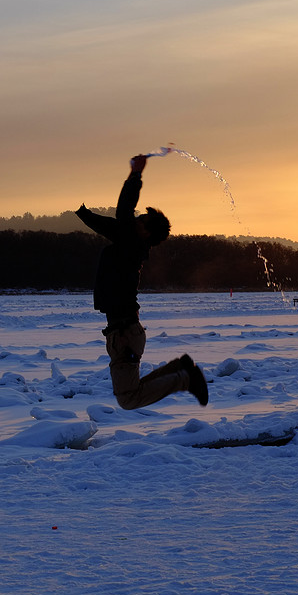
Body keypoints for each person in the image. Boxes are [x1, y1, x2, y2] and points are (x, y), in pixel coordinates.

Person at [76, 154, 208, 410]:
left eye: (142, 220)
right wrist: (85, 214)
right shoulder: (129, 244)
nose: (137, 219)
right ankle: (181, 370)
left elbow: (123, 211)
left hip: (124, 334)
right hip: (124, 331)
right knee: (131, 391)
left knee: (129, 398)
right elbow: (114, 224)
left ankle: (184, 379)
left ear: (147, 233)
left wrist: (136, 174)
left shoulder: (132, 245)